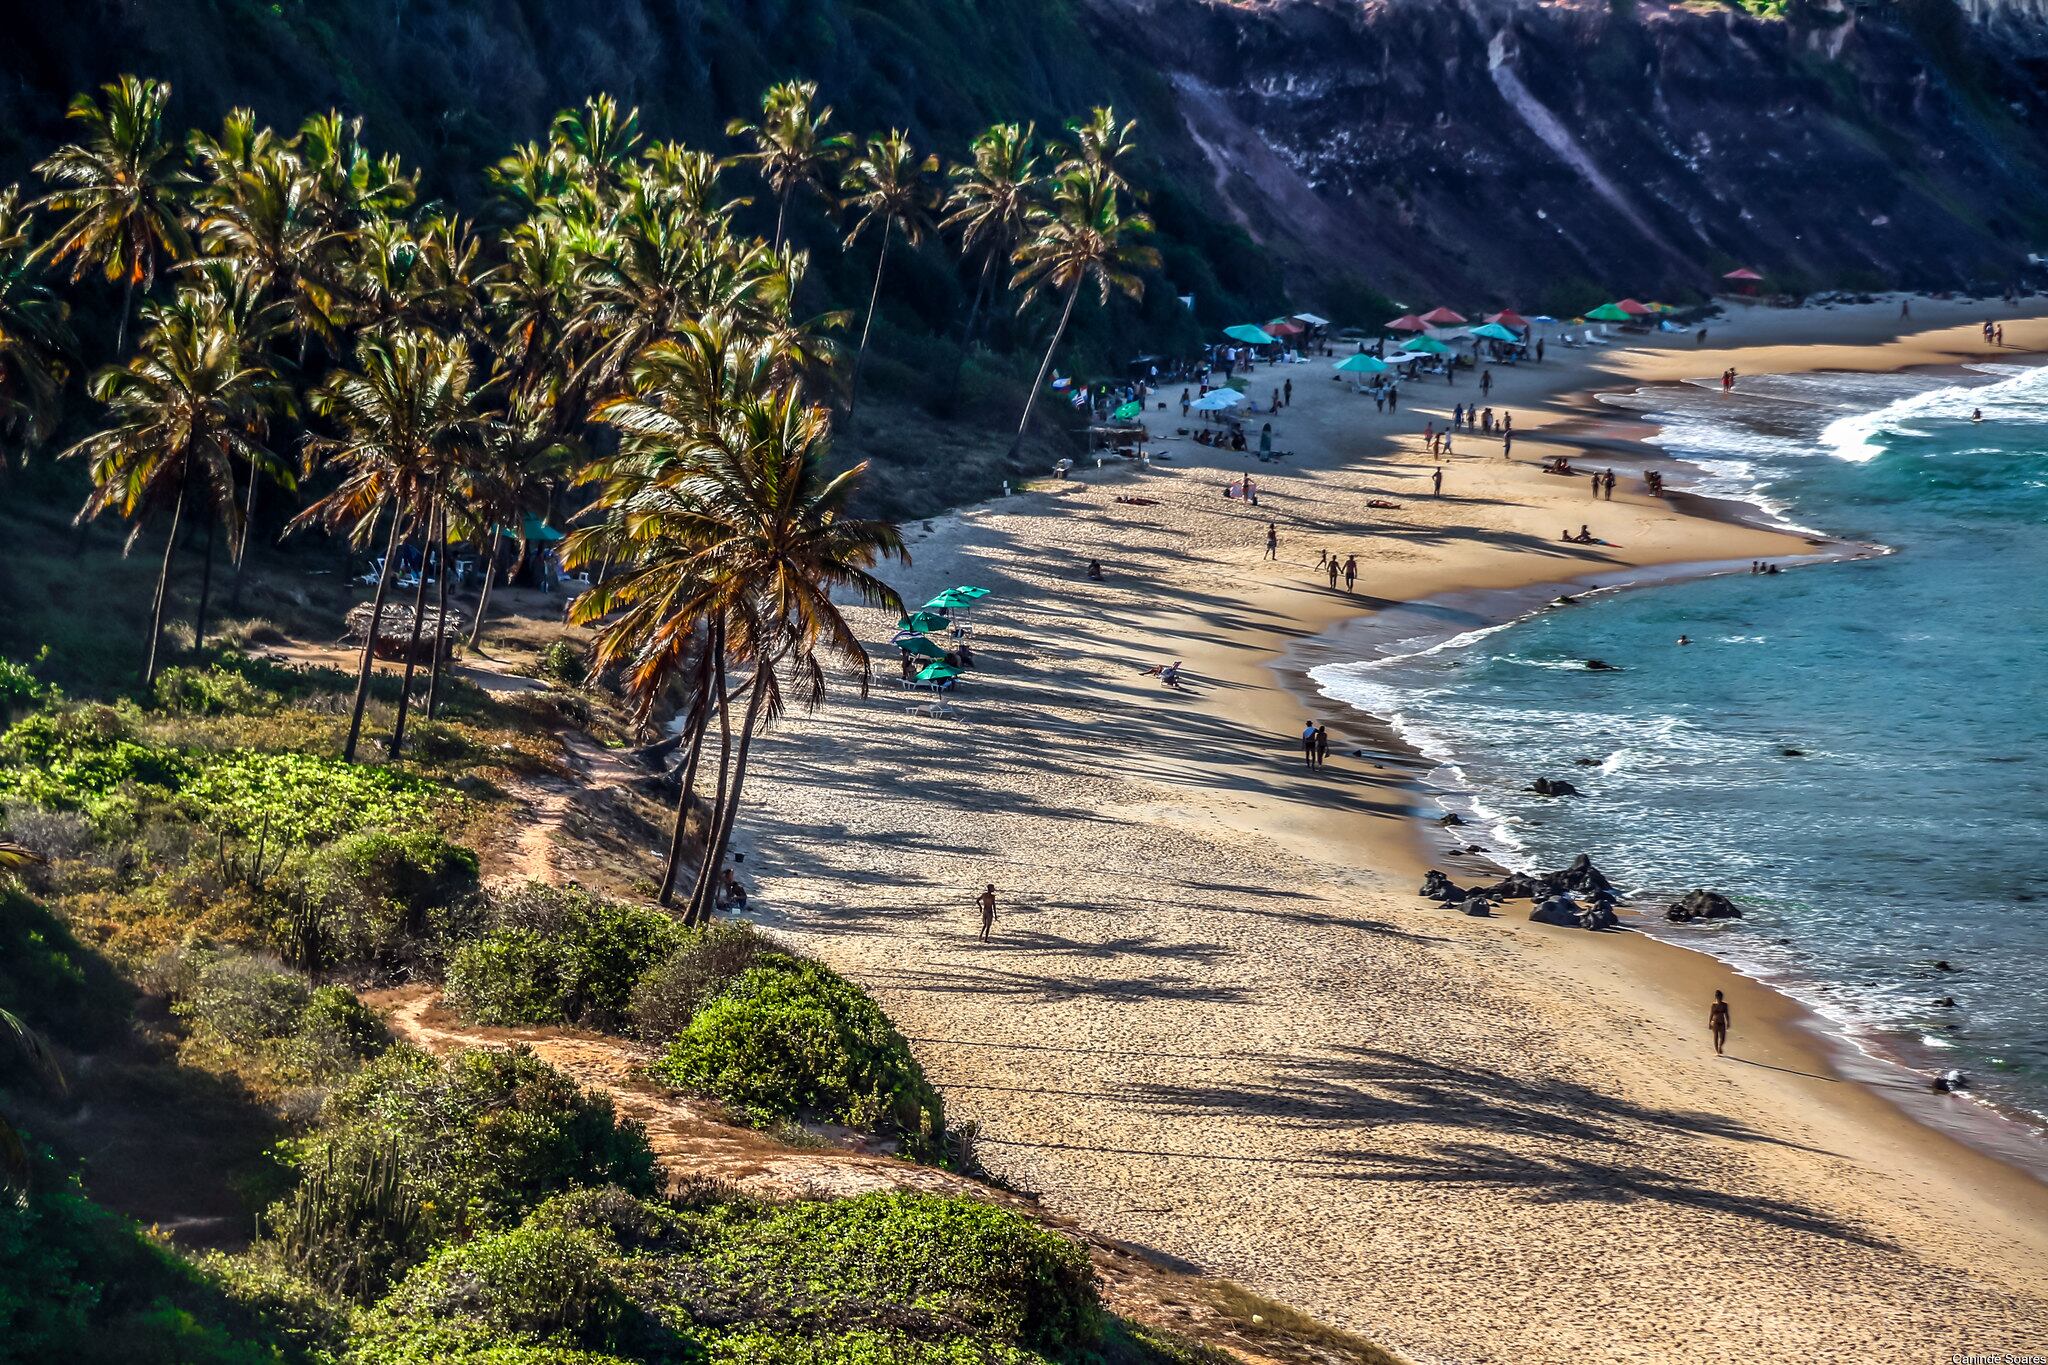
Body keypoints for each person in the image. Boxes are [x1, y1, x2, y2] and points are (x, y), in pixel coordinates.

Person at [1709, 989, 1730, 1055]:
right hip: (1715, 1023)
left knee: (1723, 1038)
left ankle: (1720, 1047)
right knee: (1716, 1037)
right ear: (1716, 997)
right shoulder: (1713, 1005)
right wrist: (1709, 1023)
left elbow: (1726, 1014)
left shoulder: (1725, 1005)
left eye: (1721, 998)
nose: (1719, 999)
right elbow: (1711, 1014)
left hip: (1722, 1023)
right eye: (1718, 998)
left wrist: (1728, 1022)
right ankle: (1717, 1051)